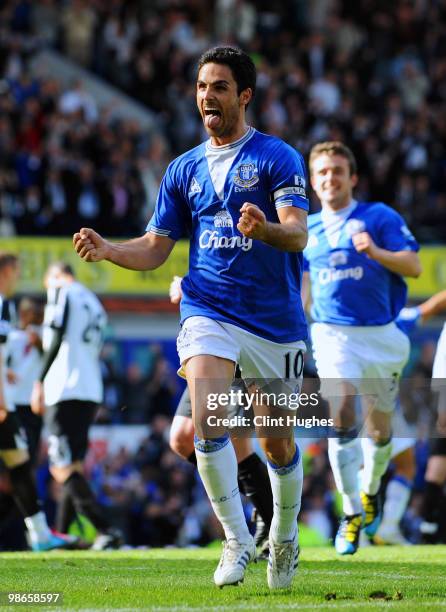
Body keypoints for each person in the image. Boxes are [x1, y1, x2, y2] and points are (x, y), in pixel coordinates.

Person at [73, 46, 309, 589]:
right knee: (207, 418)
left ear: (244, 95)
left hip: (273, 322)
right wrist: (111, 250)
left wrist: (265, 229)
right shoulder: (182, 169)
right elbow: (157, 247)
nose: (208, 95)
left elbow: (298, 232)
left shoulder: (278, 158)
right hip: (209, 309)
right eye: (203, 86)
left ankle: (286, 536)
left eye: (220, 87)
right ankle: (235, 540)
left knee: (277, 442)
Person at [302, 141, 421, 555]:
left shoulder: (379, 217)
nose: (330, 178)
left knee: (381, 433)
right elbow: (302, 291)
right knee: (341, 412)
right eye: (322, 172)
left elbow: (414, 266)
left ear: (352, 177)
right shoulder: (307, 230)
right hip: (332, 336)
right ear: (313, 183)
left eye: (337, 170)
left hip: (383, 339)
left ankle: (370, 490)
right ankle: (351, 514)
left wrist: (375, 251)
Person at [169, 276, 273, 558]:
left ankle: (270, 524)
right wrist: (188, 285)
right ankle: (266, 505)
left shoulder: (268, 237)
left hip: (241, 335)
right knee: (181, 439)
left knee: (238, 445)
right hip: (206, 338)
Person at [30, 262, 122, 550]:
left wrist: (39, 380)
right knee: (74, 465)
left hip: (64, 386)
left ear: (55, 276)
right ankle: (60, 533)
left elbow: (56, 335)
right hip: (89, 387)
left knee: (61, 466)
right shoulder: (92, 299)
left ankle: (106, 529)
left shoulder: (61, 291)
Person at [0, 253, 75, 551]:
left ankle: (41, 534)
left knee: (19, 465)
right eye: (16, 271)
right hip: (7, 406)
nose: (18, 277)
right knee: (19, 467)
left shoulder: (28, 333)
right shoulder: (3, 305)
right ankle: (41, 534)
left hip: (19, 411)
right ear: (6, 270)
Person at [374, 290, 446, 545]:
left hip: (372, 402)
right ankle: (365, 528)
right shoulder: (392, 319)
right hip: (370, 403)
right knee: (368, 467)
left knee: (406, 464)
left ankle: (388, 527)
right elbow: (430, 307)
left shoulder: (362, 320)